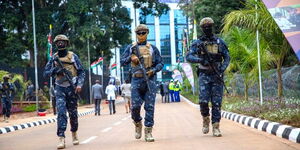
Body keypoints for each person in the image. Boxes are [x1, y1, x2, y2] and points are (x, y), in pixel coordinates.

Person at [186, 17, 230, 137]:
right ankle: (205, 118)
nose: (207, 29)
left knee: (216, 103)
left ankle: (216, 126)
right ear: (202, 28)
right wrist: (201, 60)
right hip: (204, 74)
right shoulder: (198, 43)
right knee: (203, 101)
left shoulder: (220, 42)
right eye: (205, 27)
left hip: (217, 75)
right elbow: (188, 57)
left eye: (209, 26)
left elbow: (227, 57)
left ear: (212, 27)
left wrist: (222, 68)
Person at [120, 24, 163, 142]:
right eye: (139, 33)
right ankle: (137, 122)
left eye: (143, 32)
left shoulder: (153, 48)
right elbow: (122, 62)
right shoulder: (130, 48)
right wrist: (131, 58)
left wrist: (153, 70)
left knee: (149, 107)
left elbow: (160, 63)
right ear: (136, 34)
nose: (141, 35)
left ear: (147, 33)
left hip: (150, 80)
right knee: (135, 107)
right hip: (136, 79)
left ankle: (148, 130)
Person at [44, 34, 85, 149]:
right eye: (58, 42)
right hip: (59, 88)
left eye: (63, 42)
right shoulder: (54, 58)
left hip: (72, 88)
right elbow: (45, 73)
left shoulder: (73, 57)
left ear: (67, 43)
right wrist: (55, 70)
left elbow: (82, 71)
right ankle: (61, 138)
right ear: (56, 44)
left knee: (73, 114)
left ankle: (74, 133)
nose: (61, 44)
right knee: (61, 112)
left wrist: (79, 85)